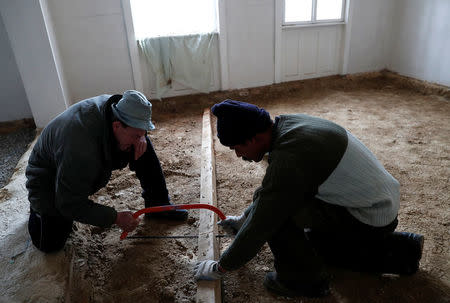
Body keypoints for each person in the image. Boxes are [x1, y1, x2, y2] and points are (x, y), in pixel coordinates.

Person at [194, 99, 424, 298]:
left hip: (369, 218)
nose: (237, 154)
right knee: (302, 232)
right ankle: (404, 249)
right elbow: (269, 193)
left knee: (279, 220)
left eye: (236, 147)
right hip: (378, 206)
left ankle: (304, 282)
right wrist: (243, 220)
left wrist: (221, 267)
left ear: (253, 138)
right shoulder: (289, 125)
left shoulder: (290, 157)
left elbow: (265, 219)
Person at [25, 90, 188, 253]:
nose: (141, 137)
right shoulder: (81, 148)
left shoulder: (119, 111)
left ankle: (158, 205)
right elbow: (69, 203)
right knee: (51, 243)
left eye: (143, 131)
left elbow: (134, 132)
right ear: (117, 126)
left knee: (142, 147)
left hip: (74, 160)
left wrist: (141, 136)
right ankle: (38, 210)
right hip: (46, 176)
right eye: (137, 134)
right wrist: (115, 217)